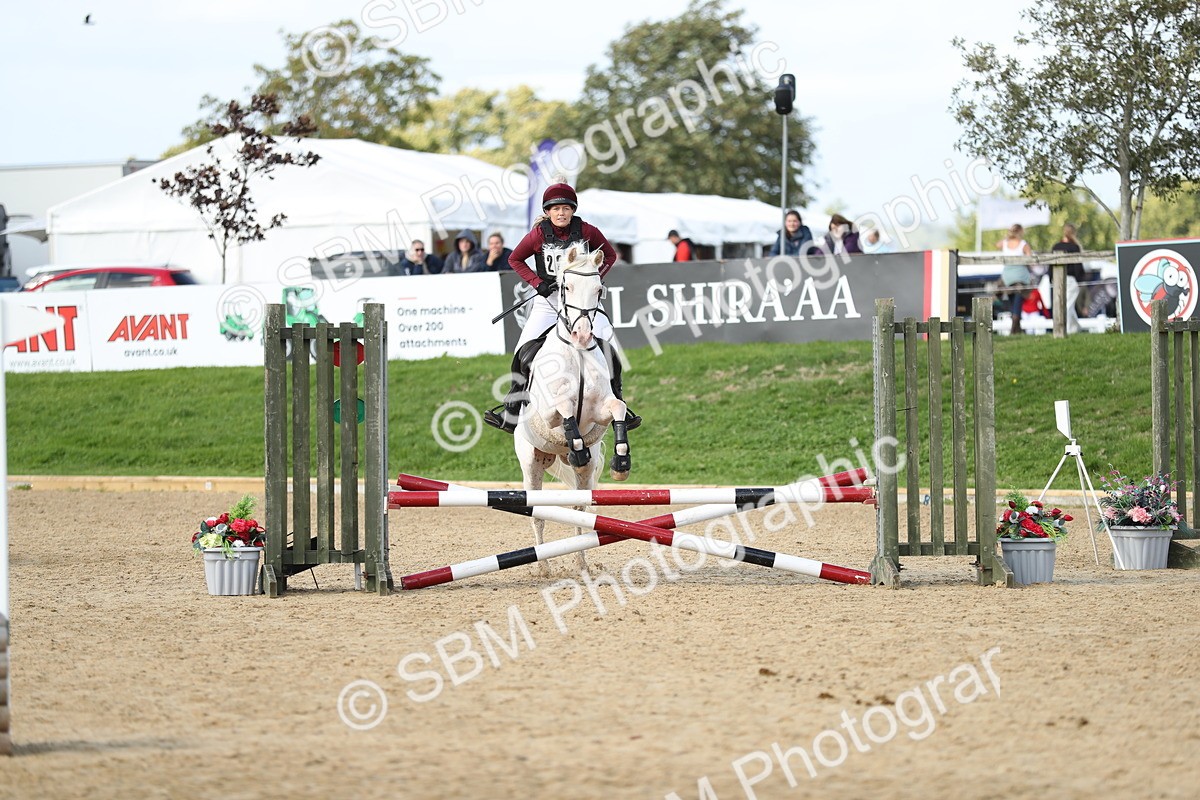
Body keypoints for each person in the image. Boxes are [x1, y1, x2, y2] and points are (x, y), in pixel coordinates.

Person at [483, 182, 641, 434]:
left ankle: (619, 399)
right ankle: (512, 410)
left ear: (573, 210)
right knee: (523, 350)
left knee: (610, 346)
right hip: (549, 302)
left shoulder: (588, 231)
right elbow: (515, 259)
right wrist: (537, 283)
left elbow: (609, 256)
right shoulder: (537, 235)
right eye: (555, 209)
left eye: (566, 208)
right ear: (547, 212)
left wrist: (592, 280)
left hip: (584, 304)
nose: (561, 213)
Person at [1048, 222, 1085, 333]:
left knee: (1068, 305)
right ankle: (1068, 329)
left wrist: (1051, 278)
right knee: (1068, 305)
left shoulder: (1056, 246)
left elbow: (1050, 265)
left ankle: (1075, 328)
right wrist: (1079, 279)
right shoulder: (1075, 247)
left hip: (1057, 280)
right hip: (1070, 279)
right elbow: (1078, 266)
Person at [998, 224, 1033, 333]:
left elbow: (997, 244)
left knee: (1013, 302)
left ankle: (1017, 328)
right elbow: (1030, 258)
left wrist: (1007, 237)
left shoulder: (1005, 243)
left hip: (1007, 277)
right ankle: (1015, 327)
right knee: (1018, 302)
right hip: (1020, 276)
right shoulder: (1023, 244)